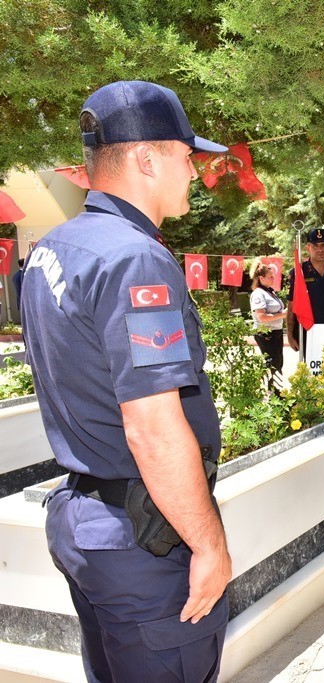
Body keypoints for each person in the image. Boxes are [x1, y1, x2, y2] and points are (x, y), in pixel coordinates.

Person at [20, 80, 231, 681]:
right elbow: (153, 429)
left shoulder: (56, 246)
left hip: (87, 523)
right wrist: (210, 545)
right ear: (146, 158)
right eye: (186, 156)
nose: (194, 171)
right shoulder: (135, 258)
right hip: (141, 543)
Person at [286, 227, 324, 356]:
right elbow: (292, 306)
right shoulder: (299, 273)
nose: (320, 249)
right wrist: (290, 334)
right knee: (313, 370)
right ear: (307, 248)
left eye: (323, 245)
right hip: (309, 330)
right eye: (315, 246)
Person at [250, 263, 288, 392]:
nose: (273, 279)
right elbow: (261, 316)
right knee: (272, 364)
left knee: (278, 363)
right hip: (265, 332)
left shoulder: (270, 292)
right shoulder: (258, 294)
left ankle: (277, 392)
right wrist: (283, 314)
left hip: (276, 331)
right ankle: (273, 395)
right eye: (270, 276)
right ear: (261, 278)